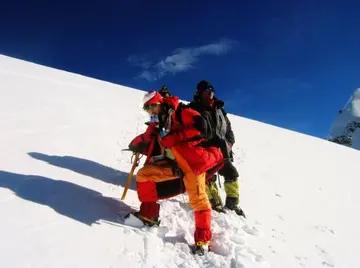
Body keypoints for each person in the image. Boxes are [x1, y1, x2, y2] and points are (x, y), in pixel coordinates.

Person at [127, 90, 224, 254]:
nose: (150, 112)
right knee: (144, 175)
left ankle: (202, 241)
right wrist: (138, 143)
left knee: (199, 201)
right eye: (147, 109)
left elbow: (202, 127)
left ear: (160, 103)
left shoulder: (181, 112)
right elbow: (148, 137)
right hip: (174, 164)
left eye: (152, 107)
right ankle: (148, 216)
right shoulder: (159, 121)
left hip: (193, 162)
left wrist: (176, 137)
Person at [188, 80, 245, 217]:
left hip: (222, 152)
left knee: (231, 173)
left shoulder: (220, 111)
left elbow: (229, 132)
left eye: (212, 91)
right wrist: (206, 144)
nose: (210, 94)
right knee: (208, 177)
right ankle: (215, 204)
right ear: (199, 93)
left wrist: (228, 145)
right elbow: (192, 131)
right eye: (207, 91)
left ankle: (232, 205)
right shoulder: (194, 109)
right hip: (205, 152)